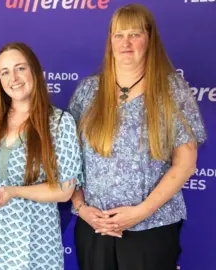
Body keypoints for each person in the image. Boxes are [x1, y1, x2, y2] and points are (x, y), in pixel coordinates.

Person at [67, 4, 207, 270]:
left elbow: (186, 163)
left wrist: (140, 213)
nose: (126, 43)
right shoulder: (88, 90)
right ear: (110, 41)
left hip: (152, 228)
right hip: (95, 228)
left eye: (135, 34)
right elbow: (67, 160)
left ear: (150, 39)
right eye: (119, 35)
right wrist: (81, 207)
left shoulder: (171, 90)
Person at [0, 42, 82, 270]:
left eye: (20, 68)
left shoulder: (59, 123)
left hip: (34, 243)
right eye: (5, 72)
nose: (13, 78)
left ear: (34, 70)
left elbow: (65, 191)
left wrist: (13, 192)